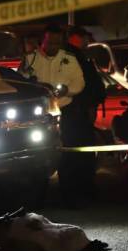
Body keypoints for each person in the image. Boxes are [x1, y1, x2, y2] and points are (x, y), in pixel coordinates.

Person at [19, 24, 94, 207]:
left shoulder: (69, 59)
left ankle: (70, 197)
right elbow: (21, 81)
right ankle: (36, 201)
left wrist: (68, 90)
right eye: (50, 42)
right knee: (37, 156)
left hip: (64, 112)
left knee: (67, 157)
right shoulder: (30, 60)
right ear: (42, 41)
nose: (53, 46)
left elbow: (80, 81)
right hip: (39, 115)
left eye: (57, 43)